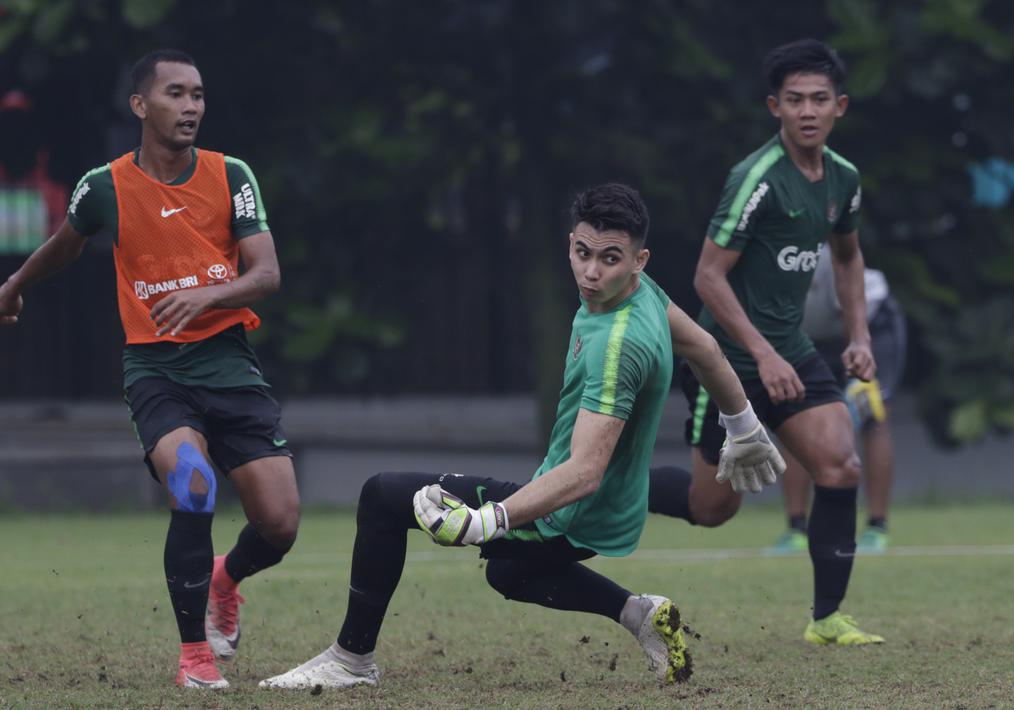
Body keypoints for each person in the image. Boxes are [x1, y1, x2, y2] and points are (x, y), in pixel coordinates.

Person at [260, 183, 784, 690]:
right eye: (584, 252)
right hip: (603, 506)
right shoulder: (642, 293)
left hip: (572, 509)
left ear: (638, 260)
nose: (592, 272)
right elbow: (706, 349)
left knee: (382, 496)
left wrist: (489, 520)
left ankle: (351, 661)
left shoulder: (617, 347)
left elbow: (583, 473)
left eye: (610, 259)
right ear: (571, 244)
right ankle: (637, 613)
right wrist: (742, 425)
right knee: (510, 573)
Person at [0, 49, 299, 689]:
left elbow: (266, 274)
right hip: (156, 369)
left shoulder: (230, 174)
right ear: (141, 105)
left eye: (197, 95)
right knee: (193, 484)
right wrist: (16, 283)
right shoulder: (104, 185)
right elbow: (65, 243)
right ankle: (195, 656)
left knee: (279, 524)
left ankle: (226, 578)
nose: (191, 106)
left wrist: (208, 296)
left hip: (228, 361)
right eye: (175, 94)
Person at [647, 38, 884, 646]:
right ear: (775, 106)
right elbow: (707, 276)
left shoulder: (845, 179)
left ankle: (827, 618)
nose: (808, 111)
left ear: (841, 107)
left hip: (792, 350)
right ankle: (612, 481)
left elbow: (849, 257)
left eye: (820, 100)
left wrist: (859, 334)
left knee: (839, 463)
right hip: (724, 359)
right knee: (712, 510)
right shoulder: (755, 179)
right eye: (796, 100)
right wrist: (762, 353)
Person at [769, 249, 907, 554]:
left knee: (870, 411)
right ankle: (795, 529)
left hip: (867, 326)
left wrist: (858, 367)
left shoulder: (820, 260)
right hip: (809, 337)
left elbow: (852, 310)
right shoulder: (755, 270)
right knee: (791, 416)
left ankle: (877, 527)